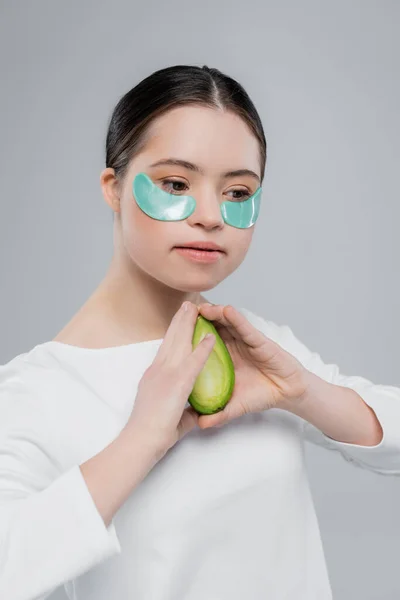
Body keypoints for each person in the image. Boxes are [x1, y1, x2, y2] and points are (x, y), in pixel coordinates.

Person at [1, 64, 399, 600]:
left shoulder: (257, 344)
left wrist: (304, 393)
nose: (211, 215)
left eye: (238, 192)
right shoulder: (36, 391)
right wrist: (141, 438)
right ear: (113, 189)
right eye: (175, 184)